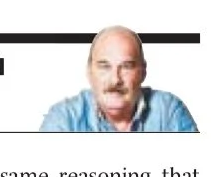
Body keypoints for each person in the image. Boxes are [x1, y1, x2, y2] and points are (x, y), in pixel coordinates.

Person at [40, 27, 197, 132]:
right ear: (89, 72)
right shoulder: (64, 118)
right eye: (104, 66)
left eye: (127, 66)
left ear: (143, 72)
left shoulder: (169, 111)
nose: (115, 79)